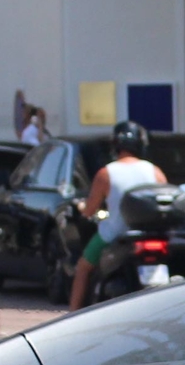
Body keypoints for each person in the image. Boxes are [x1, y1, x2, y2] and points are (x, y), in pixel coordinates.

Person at [68, 121, 167, 309]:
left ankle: (71, 316)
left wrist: (83, 208)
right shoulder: (155, 171)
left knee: (82, 268)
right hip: (151, 235)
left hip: (114, 234)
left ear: (116, 145)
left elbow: (90, 210)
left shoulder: (106, 174)